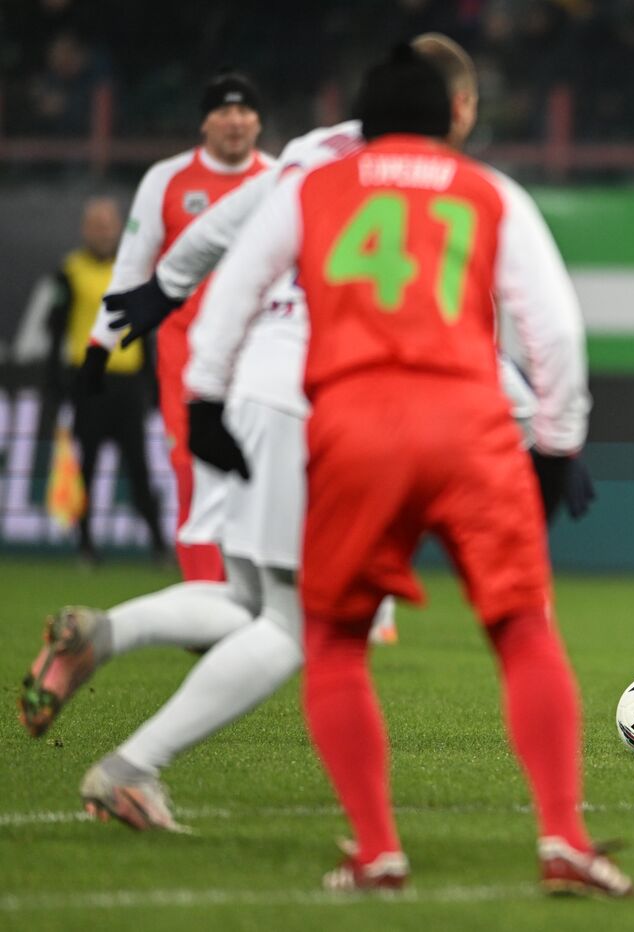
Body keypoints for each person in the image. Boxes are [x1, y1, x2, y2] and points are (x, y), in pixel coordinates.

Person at [20, 34, 589, 837]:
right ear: (454, 108)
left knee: (253, 597)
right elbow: (449, 327)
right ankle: (131, 769)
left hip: (251, 381)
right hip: (317, 395)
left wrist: (162, 297)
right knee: (297, 629)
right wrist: (549, 430)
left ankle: (107, 633)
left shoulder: (313, 158)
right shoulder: (461, 188)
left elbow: (228, 233)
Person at [181, 44, 628, 896]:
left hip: (353, 425)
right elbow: (557, 331)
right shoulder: (490, 192)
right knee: (523, 626)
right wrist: (558, 445)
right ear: (453, 113)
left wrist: (204, 402)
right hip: (470, 424)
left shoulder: (311, 186)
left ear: (363, 119)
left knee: (336, 639)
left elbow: (235, 289)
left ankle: (378, 850)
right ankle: (565, 841)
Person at [83, 71, 270, 582]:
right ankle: (205, 599)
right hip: (184, 355)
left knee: (263, 477)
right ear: (204, 123)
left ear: (259, 122)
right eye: (223, 111)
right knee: (192, 471)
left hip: (260, 356)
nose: (235, 121)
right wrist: (100, 346)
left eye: (245, 111)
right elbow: (131, 268)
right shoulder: (166, 180)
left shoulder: (279, 179)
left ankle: (255, 593)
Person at [44, 196, 166, 564]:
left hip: (128, 385)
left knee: (139, 469)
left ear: (119, 228)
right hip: (89, 382)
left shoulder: (134, 272)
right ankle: (86, 546)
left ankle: (159, 546)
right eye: (96, 225)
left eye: (109, 225)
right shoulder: (69, 272)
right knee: (88, 469)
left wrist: (153, 385)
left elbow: (145, 334)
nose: (103, 232)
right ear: (85, 230)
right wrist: (58, 387)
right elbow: (55, 333)